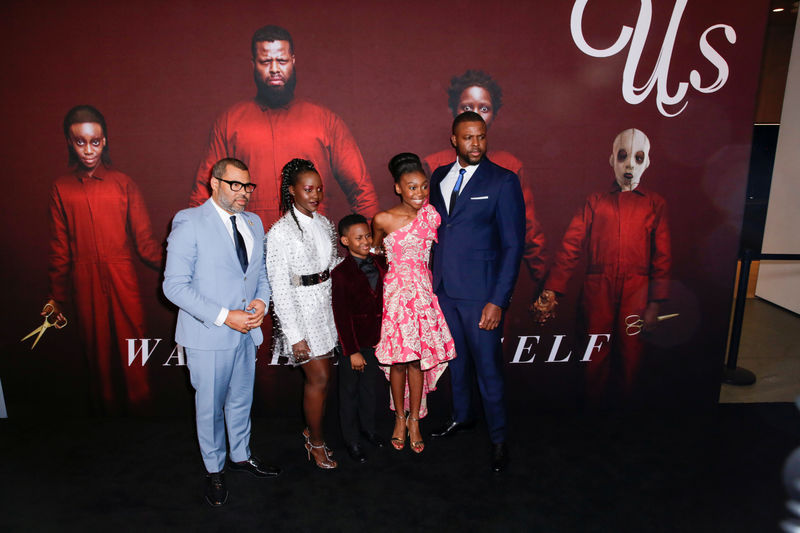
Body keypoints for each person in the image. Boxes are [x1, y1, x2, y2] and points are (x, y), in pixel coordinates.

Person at [163, 157, 280, 508]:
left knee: (241, 400)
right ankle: (214, 470)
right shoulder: (189, 222)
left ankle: (241, 456)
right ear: (214, 183)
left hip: (247, 331)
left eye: (248, 185)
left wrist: (261, 301)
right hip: (209, 334)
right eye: (236, 185)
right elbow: (174, 287)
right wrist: (223, 316)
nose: (244, 193)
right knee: (210, 407)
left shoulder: (254, 222)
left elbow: (260, 272)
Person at [189, 24, 379, 229]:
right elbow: (204, 192)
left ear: (293, 61)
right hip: (249, 243)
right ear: (253, 64)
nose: (274, 69)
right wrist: (193, 243)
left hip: (310, 245)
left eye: (281, 60)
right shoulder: (229, 122)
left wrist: (370, 248)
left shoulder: (325, 121)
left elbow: (361, 190)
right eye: (265, 61)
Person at [532, 128, 671, 406]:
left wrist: (655, 302)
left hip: (638, 290)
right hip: (599, 287)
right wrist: (552, 290)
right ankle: (591, 414)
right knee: (593, 352)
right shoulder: (596, 201)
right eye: (623, 156)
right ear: (611, 160)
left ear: (648, 162)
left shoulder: (655, 204)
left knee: (632, 354)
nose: (630, 164)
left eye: (638, 157)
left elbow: (662, 256)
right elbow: (571, 246)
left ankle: (623, 415)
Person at [44, 105, 162, 415]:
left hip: (122, 274)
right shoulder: (61, 188)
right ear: (70, 142)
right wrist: (56, 298)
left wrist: (184, 267)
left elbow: (147, 245)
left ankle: (142, 415)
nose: (88, 150)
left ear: (105, 141)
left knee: (133, 347)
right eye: (80, 142)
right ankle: (104, 421)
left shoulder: (123, 183)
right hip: (84, 280)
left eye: (95, 141)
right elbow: (60, 250)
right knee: (95, 354)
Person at [428, 112, 525, 473]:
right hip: (444, 291)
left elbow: (514, 246)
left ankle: (499, 439)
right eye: (468, 138)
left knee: (488, 369)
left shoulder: (503, 181)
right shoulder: (439, 177)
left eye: (481, 137)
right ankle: (462, 417)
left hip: (481, 295)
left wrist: (498, 300)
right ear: (454, 139)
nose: (476, 145)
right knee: (456, 363)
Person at [422, 70, 546, 289]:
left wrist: (545, 282)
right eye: (467, 107)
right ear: (454, 110)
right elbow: (423, 228)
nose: (477, 114)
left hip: (484, 285)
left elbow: (526, 231)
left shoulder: (510, 168)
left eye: (484, 108)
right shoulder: (434, 168)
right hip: (442, 286)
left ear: (494, 114)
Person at [372, 153, 456, 454]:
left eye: (423, 187)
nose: (419, 194)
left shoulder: (432, 216)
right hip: (395, 296)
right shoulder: (382, 219)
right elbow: (373, 252)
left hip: (421, 294)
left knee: (417, 361)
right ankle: (398, 418)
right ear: (398, 188)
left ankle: (416, 421)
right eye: (411, 187)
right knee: (398, 361)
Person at [266, 158, 340, 469]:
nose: (315, 194)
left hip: (326, 308)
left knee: (325, 379)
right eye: (308, 189)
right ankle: (316, 442)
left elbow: (333, 265)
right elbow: (279, 289)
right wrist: (294, 336)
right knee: (319, 378)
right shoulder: (280, 232)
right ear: (292, 191)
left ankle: (312, 430)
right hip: (299, 312)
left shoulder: (324, 223)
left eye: (319, 189)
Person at [330, 214, 387, 463]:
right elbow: (341, 317)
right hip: (352, 346)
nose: (365, 241)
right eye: (358, 237)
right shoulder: (341, 274)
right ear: (345, 241)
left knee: (370, 391)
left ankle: (369, 430)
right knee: (349, 393)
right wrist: (351, 351)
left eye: (367, 236)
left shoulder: (381, 263)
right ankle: (351, 440)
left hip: (376, 342)